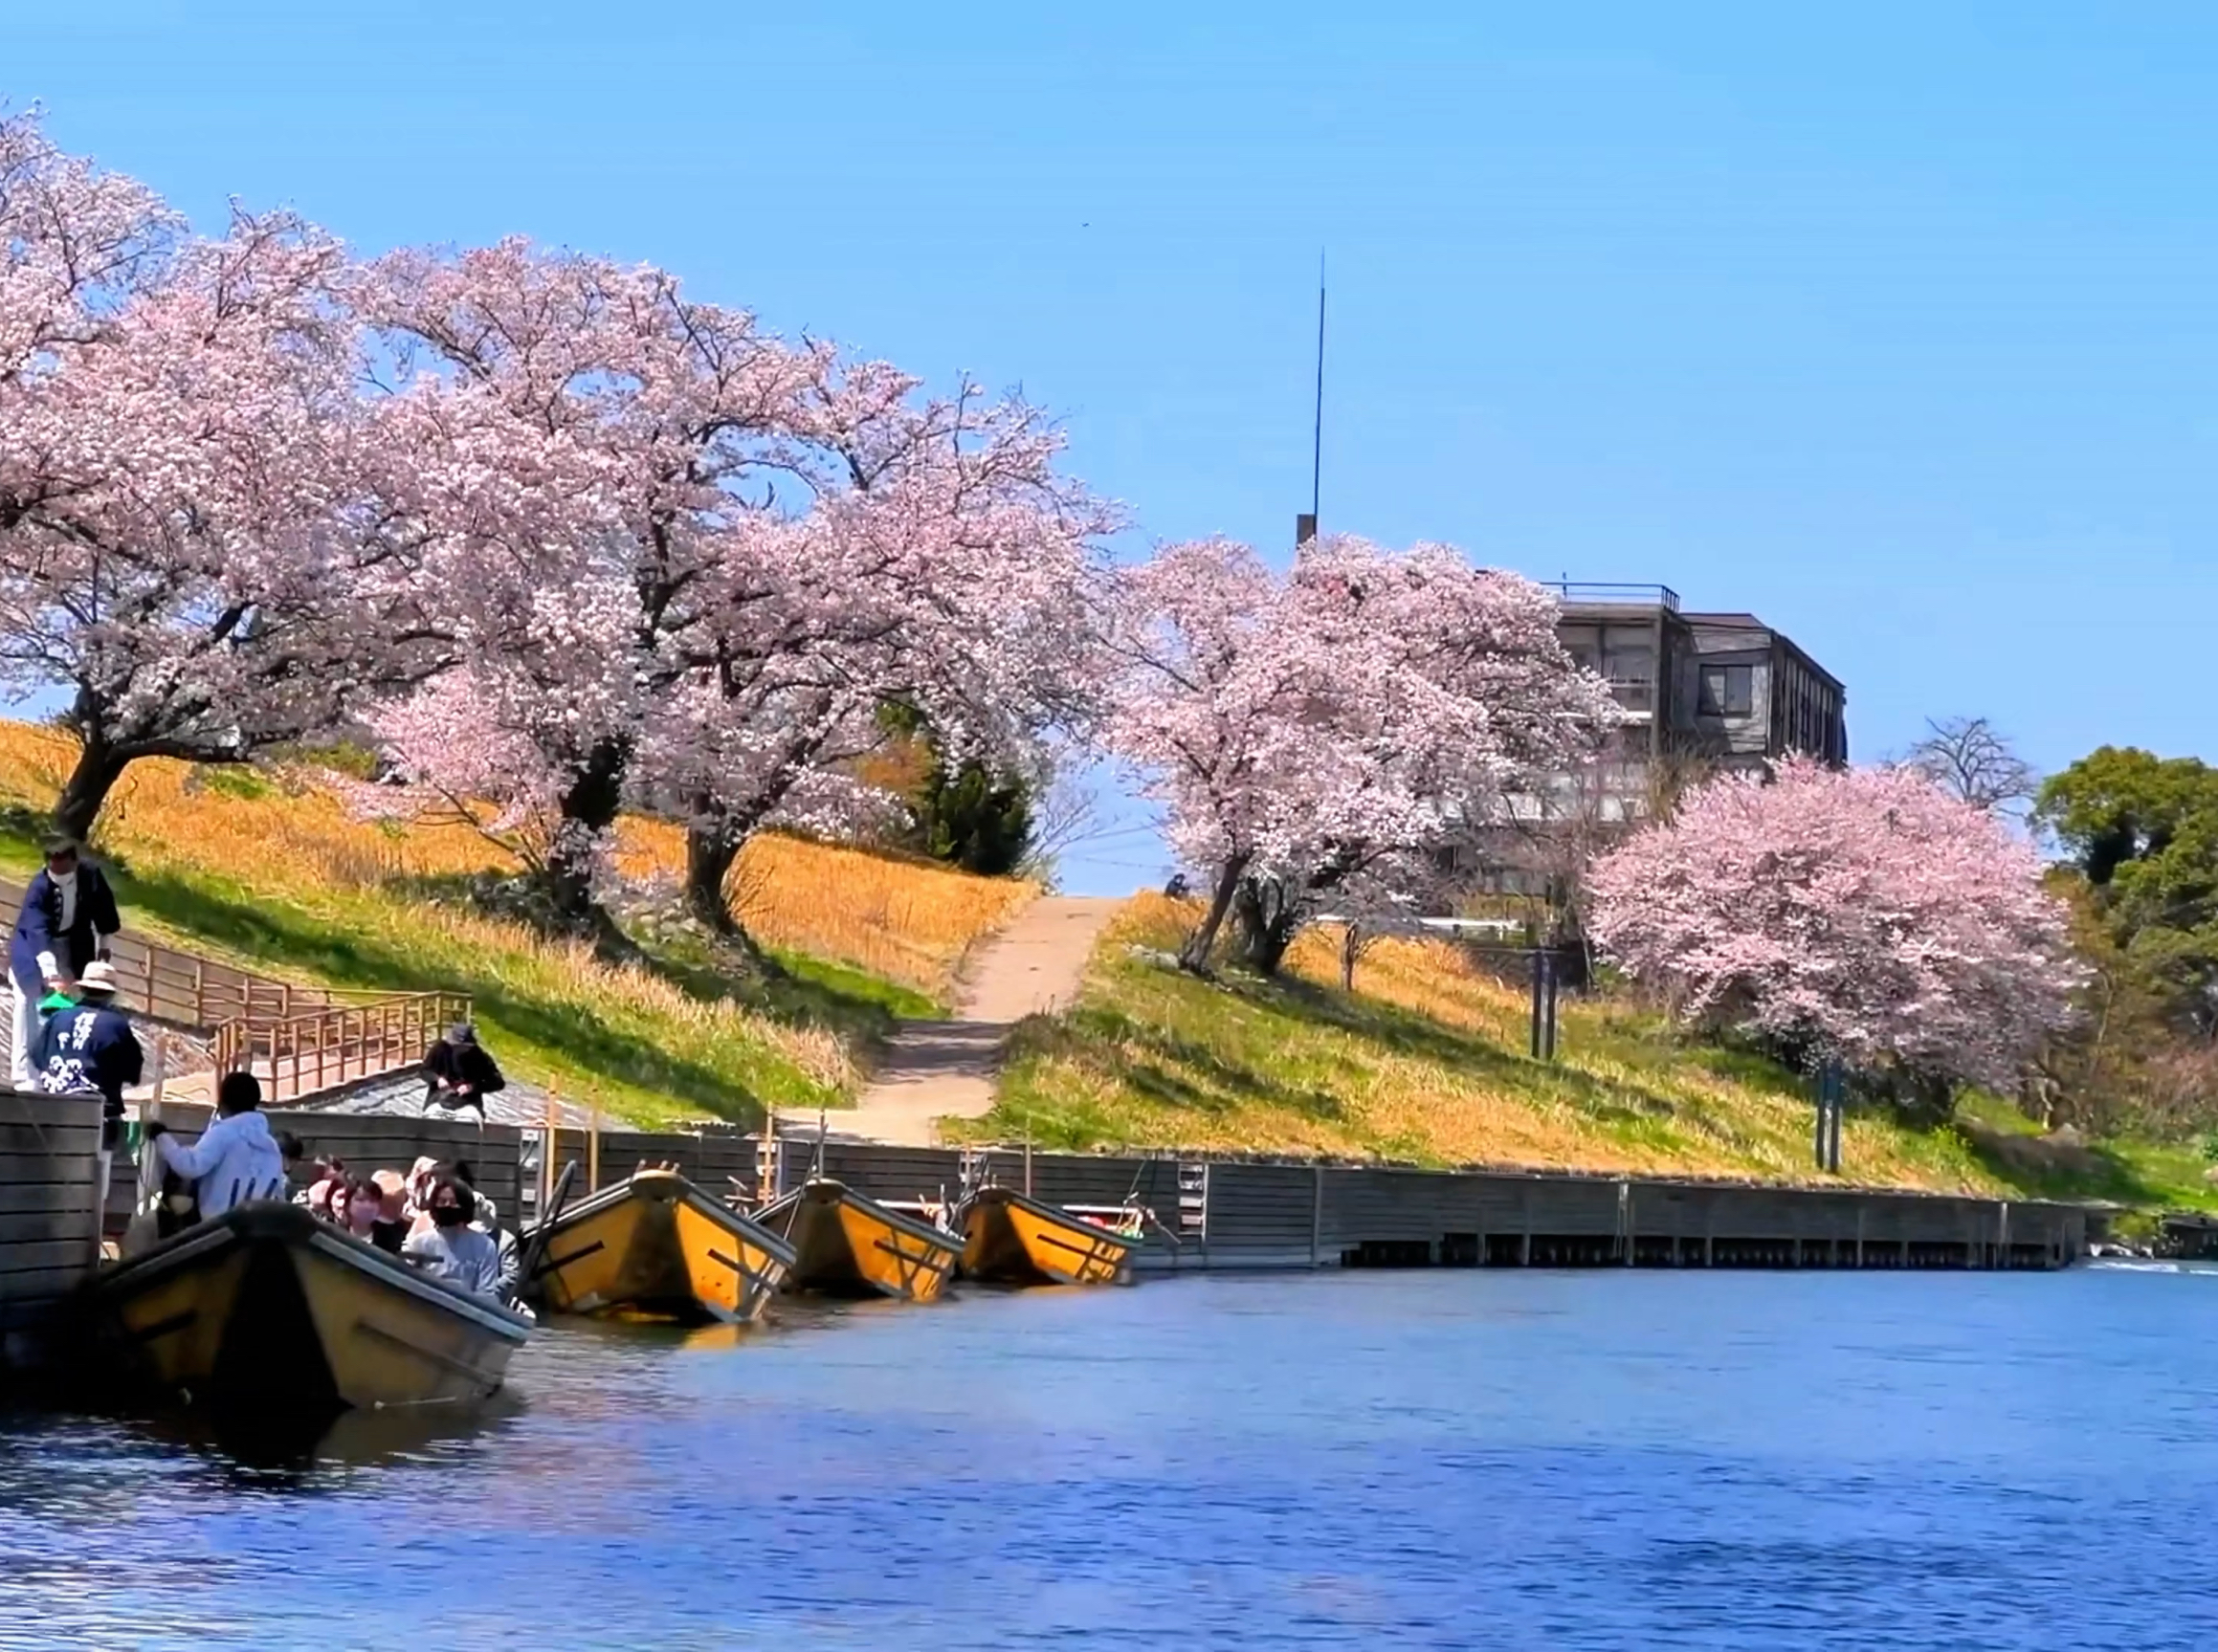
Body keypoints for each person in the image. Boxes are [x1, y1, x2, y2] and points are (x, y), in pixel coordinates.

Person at [9, 837, 122, 1089]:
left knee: (74, 1000)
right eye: (53, 870)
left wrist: (104, 946)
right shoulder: (39, 887)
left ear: (75, 861)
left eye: (63, 869)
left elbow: (104, 913)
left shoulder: (90, 876)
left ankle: (64, 1070)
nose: (58, 875)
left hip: (73, 941)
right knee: (27, 1000)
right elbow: (38, 932)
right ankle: (26, 1075)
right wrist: (51, 975)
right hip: (32, 946)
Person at [35, 959, 143, 1222]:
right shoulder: (116, 1025)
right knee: (95, 1189)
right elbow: (133, 1072)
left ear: (82, 989)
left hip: (53, 1111)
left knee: (50, 1182)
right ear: (110, 993)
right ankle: (88, 1240)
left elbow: (38, 1057)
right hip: (98, 1117)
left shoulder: (57, 1018)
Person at [145, 1071, 285, 1220]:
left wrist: (161, 1136)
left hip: (223, 1226)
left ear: (222, 1102)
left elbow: (191, 1166)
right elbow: (278, 1191)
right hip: (260, 1225)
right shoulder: (271, 1145)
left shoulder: (224, 1133)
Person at [402, 1172, 502, 1297]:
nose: (447, 1207)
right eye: (442, 1201)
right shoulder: (420, 1243)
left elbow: (486, 1292)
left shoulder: (485, 1246)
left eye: (453, 1202)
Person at [421, 1023, 505, 1118]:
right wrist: (437, 1079)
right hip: (439, 1098)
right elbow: (424, 1070)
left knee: (468, 1124)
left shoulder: (477, 1055)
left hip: (468, 1102)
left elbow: (498, 1082)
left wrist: (473, 1087)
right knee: (433, 1120)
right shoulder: (440, 1049)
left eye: (464, 1047)